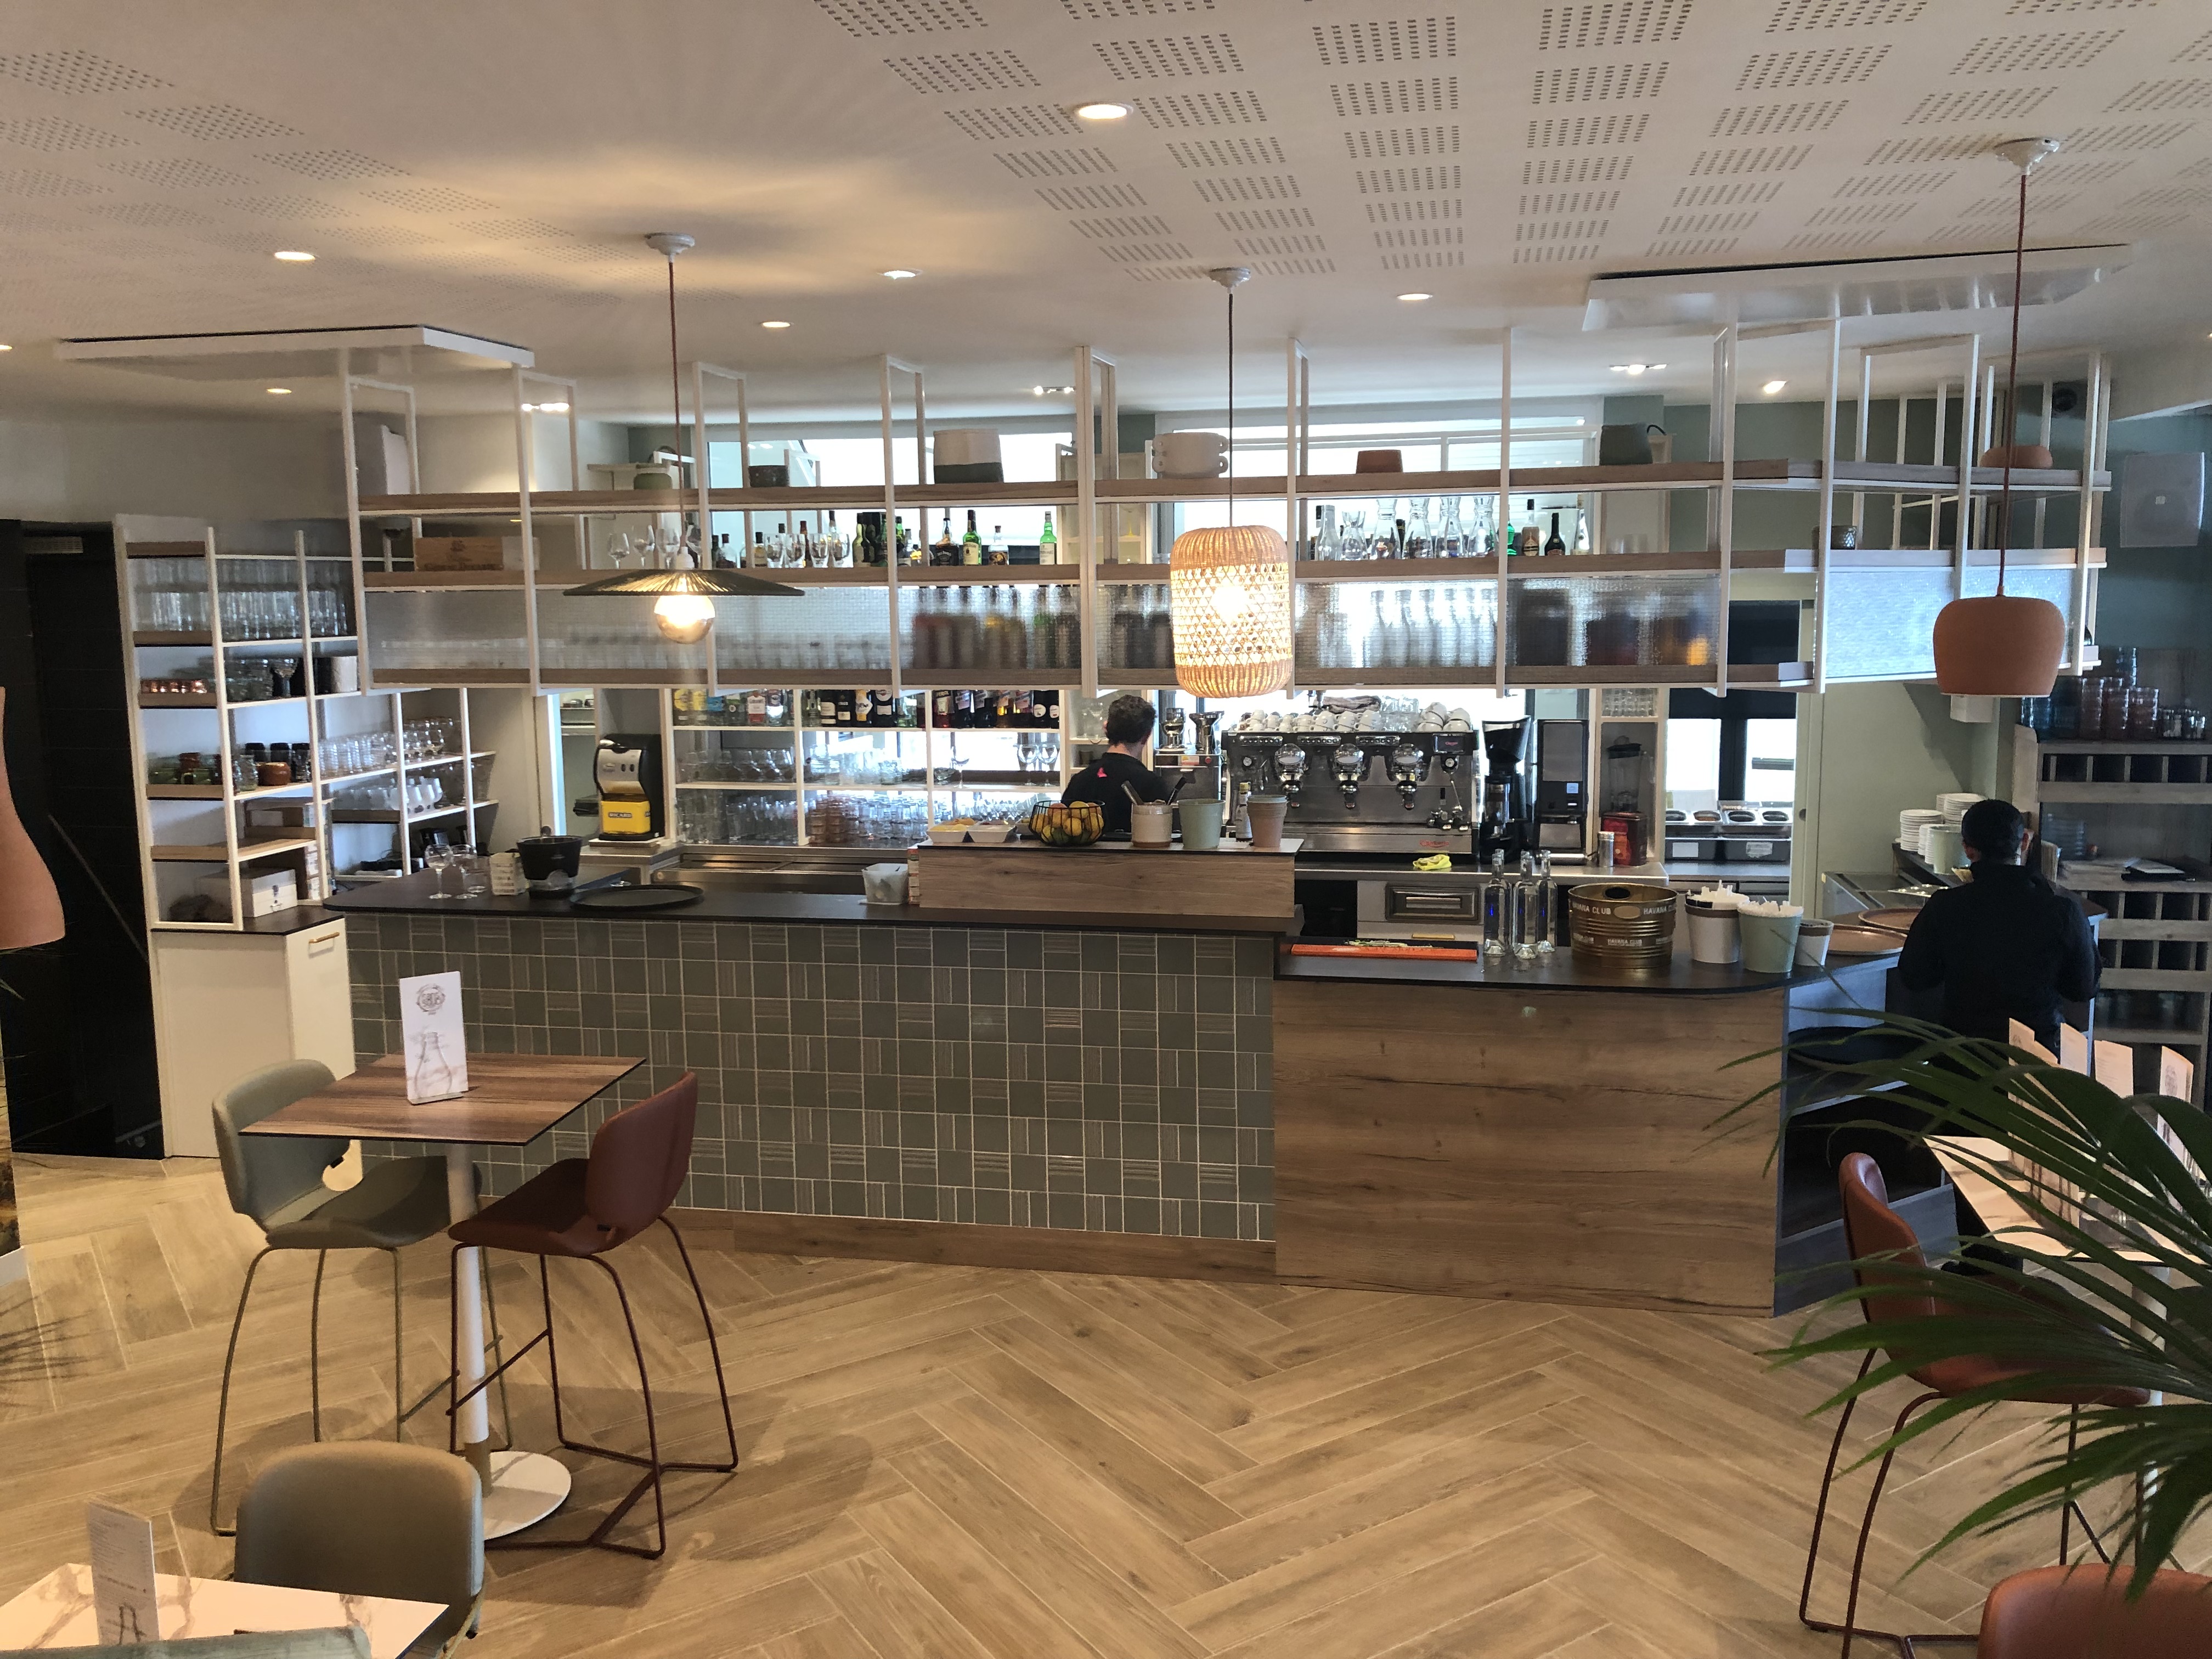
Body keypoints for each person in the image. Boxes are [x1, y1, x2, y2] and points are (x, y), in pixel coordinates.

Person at [1898, 797, 2101, 1051]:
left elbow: (1915, 977)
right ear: (2024, 841)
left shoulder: (1945, 906)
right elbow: (2084, 989)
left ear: (1968, 849)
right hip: (2036, 1054)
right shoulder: (2063, 911)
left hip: (1963, 1053)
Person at [1062, 693, 1167, 838]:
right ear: (1147, 736)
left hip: (1083, 853)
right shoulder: (1152, 784)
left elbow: (1063, 829)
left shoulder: (1080, 780)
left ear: (1106, 728)